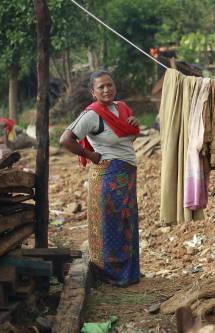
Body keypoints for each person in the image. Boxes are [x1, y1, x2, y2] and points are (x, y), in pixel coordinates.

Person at [60, 70, 141, 286]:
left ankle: (129, 274)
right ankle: (112, 276)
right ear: (93, 92)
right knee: (111, 225)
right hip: (109, 175)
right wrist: (89, 154)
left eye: (109, 85)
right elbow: (66, 139)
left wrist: (134, 124)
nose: (106, 90)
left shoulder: (122, 108)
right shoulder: (92, 114)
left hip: (127, 174)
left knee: (127, 222)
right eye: (101, 87)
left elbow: (128, 135)